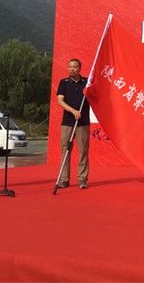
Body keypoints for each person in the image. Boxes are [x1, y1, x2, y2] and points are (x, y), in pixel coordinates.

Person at [56, 58, 91, 189]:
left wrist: (90, 91)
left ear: (79, 68)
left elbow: (95, 96)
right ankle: (64, 179)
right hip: (67, 122)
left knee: (83, 151)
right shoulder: (63, 83)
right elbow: (60, 101)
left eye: (75, 67)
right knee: (65, 150)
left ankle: (82, 179)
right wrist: (73, 111)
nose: (72, 69)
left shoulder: (87, 82)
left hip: (83, 122)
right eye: (70, 67)